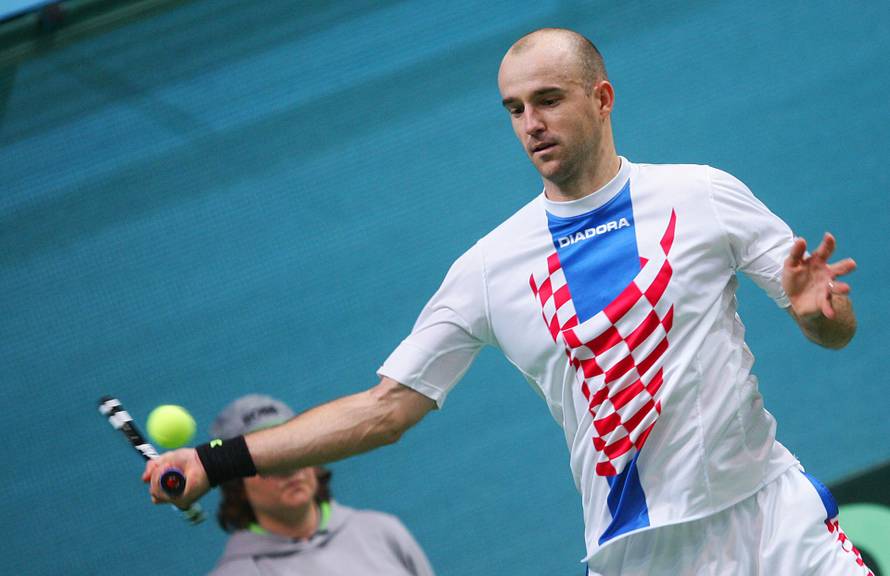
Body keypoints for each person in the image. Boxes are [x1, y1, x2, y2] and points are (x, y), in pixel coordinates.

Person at [145, 28, 872, 575]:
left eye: (548, 100)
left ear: (602, 97)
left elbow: (833, 330)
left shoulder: (703, 193)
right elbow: (382, 411)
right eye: (515, 108)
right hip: (644, 557)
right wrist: (216, 460)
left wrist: (821, 317)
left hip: (774, 517)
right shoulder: (488, 269)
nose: (530, 123)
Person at [207, 394, 434, 576]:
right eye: (265, 461)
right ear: (236, 485)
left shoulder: (383, 531)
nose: (289, 468)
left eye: (293, 450)